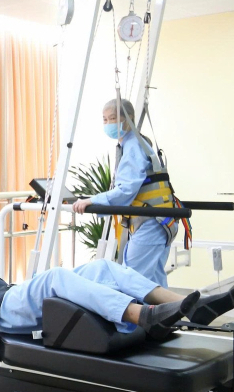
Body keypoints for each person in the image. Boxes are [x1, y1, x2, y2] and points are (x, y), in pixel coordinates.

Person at [0, 260, 234, 340]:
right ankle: (143, 316)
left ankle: (194, 307)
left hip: (11, 292)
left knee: (103, 267)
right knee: (55, 276)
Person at [72, 99, 179, 285]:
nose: (108, 123)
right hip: (160, 221)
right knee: (153, 280)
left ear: (129, 118)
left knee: (133, 279)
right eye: (105, 119)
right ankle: (171, 306)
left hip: (152, 221)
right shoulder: (137, 142)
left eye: (113, 118)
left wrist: (92, 201)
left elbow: (126, 189)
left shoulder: (133, 146)